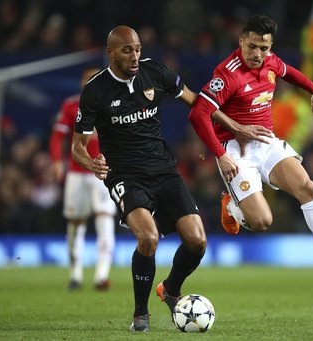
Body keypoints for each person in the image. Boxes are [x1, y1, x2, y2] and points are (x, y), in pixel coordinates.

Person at [71, 25, 241, 332]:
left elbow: (196, 101)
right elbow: (77, 148)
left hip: (163, 170)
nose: (135, 56)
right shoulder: (95, 91)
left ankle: (171, 289)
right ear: (111, 53)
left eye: (137, 49)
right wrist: (92, 164)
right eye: (127, 50)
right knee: (148, 238)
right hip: (125, 175)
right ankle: (140, 314)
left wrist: (230, 124)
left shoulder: (155, 73)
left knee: (197, 241)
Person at [189, 15, 313, 281]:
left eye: (264, 48)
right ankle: (232, 208)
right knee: (262, 221)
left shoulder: (270, 61)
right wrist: (222, 155)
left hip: (266, 141)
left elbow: (289, 72)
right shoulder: (228, 74)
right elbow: (198, 114)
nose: (257, 54)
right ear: (241, 41)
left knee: (307, 187)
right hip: (236, 150)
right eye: (252, 46)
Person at [49, 66, 116, 291]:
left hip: (104, 172)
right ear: (81, 83)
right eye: (88, 80)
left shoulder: (113, 102)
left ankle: (101, 275)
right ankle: (76, 275)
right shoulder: (70, 105)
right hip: (77, 173)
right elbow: (58, 136)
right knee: (76, 223)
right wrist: (57, 161)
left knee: (104, 219)